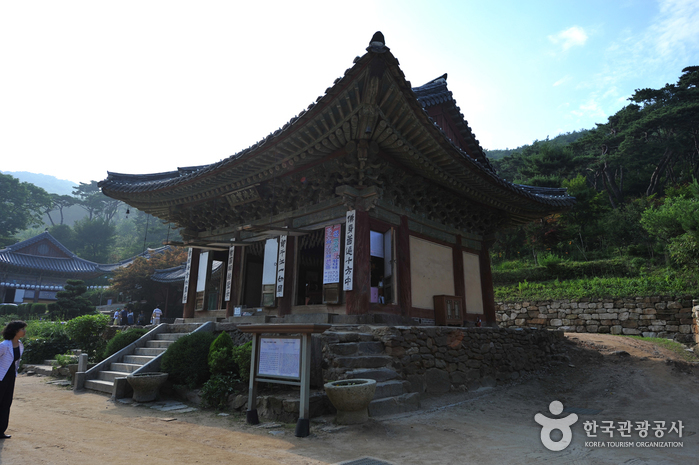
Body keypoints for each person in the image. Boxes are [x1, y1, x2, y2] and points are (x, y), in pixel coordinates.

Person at [0, 320, 26, 439]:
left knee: (6, 403)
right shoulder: (4, 345)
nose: (24, 331)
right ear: (15, 331)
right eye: (22, 329)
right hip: (1, 378)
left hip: (11, 378)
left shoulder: (20, 345)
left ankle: (1, 431)